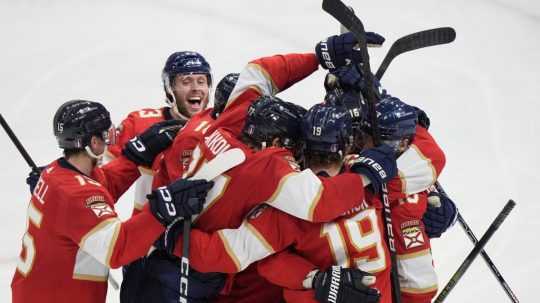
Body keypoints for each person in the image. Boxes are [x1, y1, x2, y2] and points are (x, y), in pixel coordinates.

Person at [11, 100, 214, 303]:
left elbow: (99, 186)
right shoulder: (75, 195)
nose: (110, 140)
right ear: (93, 142)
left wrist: (134, 156)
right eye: (105, 135)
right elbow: (117, 248)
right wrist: (160, 210)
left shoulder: (56, 172)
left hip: (37, 290)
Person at [105, 51, 213, 214]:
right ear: (170, 88)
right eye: (186, 81)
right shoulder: (140, 124)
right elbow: (101, 182)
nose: (196, 88)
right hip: (149, 230)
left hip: (205, 233)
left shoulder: (221, 126)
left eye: (201, 81)